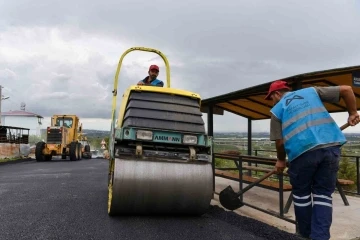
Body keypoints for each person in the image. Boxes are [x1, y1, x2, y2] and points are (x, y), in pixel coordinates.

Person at [265, 80, 359, 240]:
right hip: (330, 148)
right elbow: (346, 89)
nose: (272, 101)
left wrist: (280, 161)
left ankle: (305, 235)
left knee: (301, 195)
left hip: (301, 154)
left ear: (276, 94)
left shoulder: (276, 110)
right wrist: (352, 113)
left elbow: (280, 142)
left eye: (271, 97)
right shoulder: (311, 92)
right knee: (323, 195)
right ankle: (320, 237)